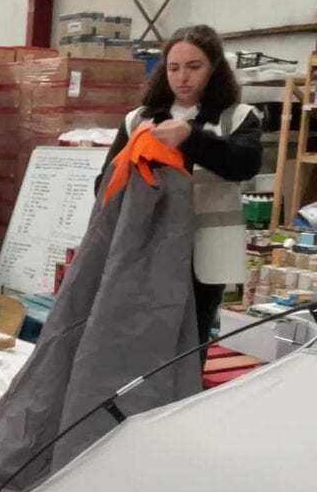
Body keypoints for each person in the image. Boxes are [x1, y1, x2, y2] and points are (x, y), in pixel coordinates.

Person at [97, 24, 261, 358]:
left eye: (194, 67)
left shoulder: (238, 117)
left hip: (204, 256)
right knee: (140, 337)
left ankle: (183, 405)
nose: (182, 77)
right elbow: (104, 184)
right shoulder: (138, 121)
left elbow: (244, 163)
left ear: (214, 69)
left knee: (191, 341)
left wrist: (192, 138)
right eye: (174, 68)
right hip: (146, 249)